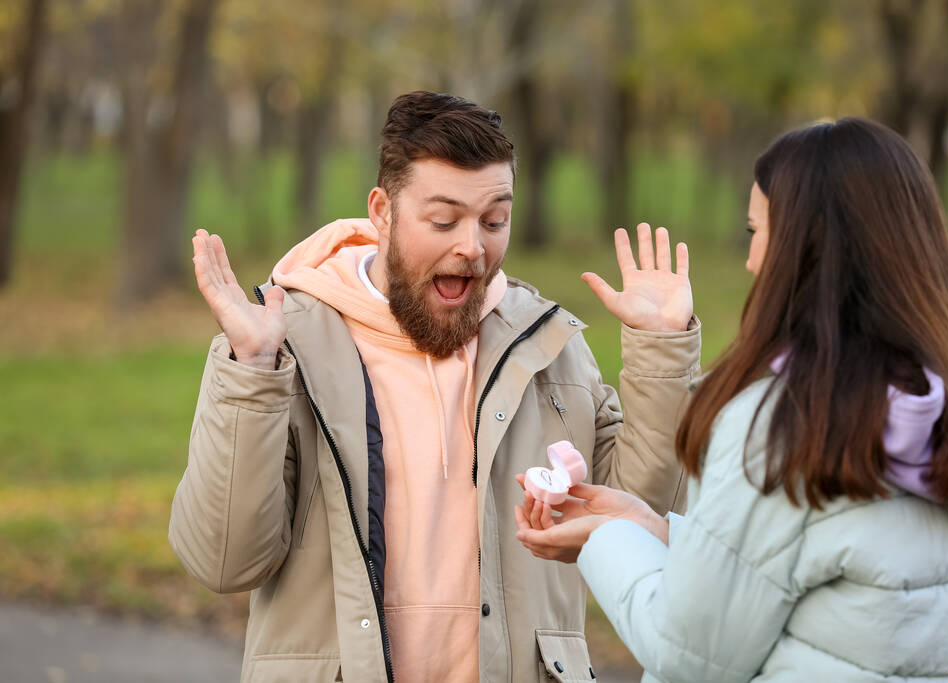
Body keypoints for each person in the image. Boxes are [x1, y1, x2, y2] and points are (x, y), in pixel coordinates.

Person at [168, 90, 701, 682]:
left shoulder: (550, 347)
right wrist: (252, 372)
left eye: (494, 220)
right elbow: (223, 561)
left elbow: (643, 522)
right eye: (444, 220)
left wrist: (660, 354)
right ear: (383, 210)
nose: (472, 248)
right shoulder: (286, 343)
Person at [514, 117, 948, 682]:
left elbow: (687, 653)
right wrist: (649, 528)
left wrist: (605, 540)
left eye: (758, 231)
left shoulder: (786, 424)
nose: (753, 260)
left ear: (807, 246)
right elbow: (829, 571)